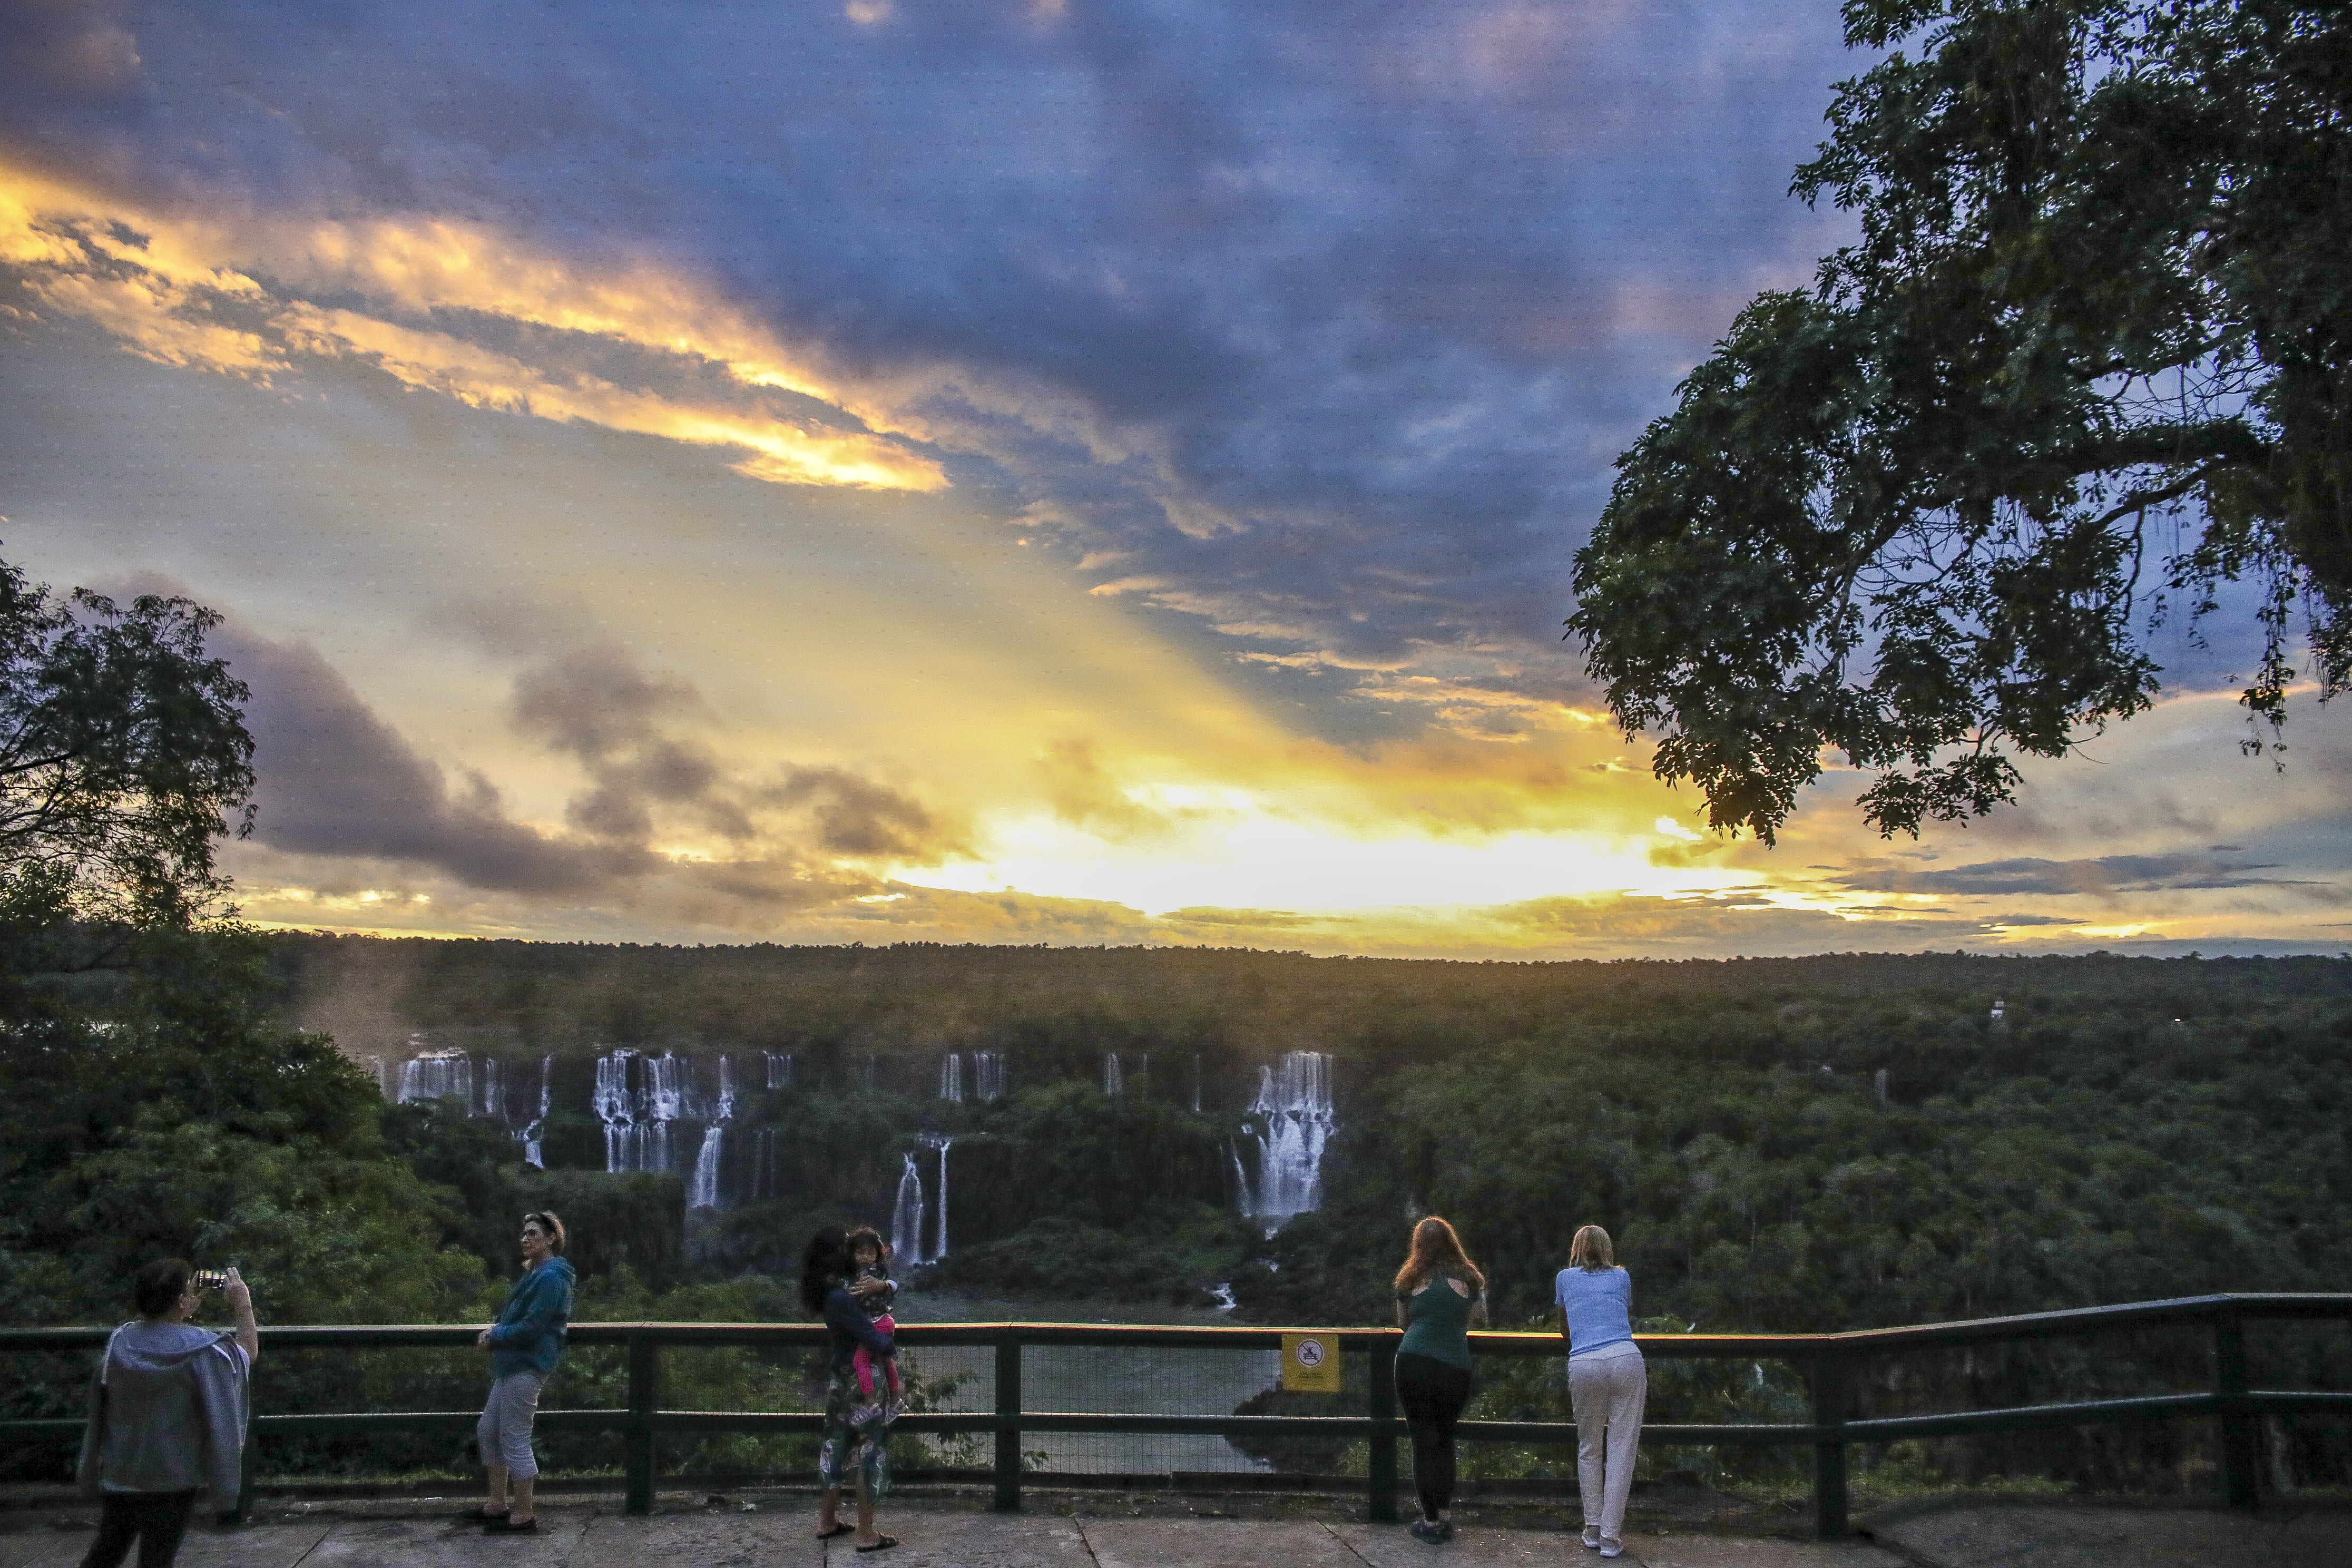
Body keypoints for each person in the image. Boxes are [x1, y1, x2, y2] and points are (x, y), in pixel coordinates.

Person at [76, 1259, 259, 1568]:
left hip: (122, 1470)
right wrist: (243, 1305)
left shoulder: (121, 1341)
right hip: (173, 1476)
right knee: (157, 1558)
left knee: (106, 1552)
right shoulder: (204, 1350)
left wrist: (185, 1304)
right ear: (180, 1301)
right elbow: (246, 1354)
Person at [473, 1212, 576, 1535]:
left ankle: (524, 1514)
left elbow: (533, 1327)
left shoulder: (551, 1278)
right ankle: (497, 1504)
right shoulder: (537, 1274)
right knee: (488, 1430)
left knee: (514, 1437)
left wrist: (495, 1335)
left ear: (551, 1238)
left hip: (528, 1363)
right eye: (524, 1234)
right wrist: (498, 1332)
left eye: (533, 1233)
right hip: (513, 1362)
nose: (525, 1239)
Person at [1391, 1216, 1487, 1545]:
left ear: (1418, 1244)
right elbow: (1477, 1320)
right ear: (1452, 1242)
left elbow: (1403, 1322)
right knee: (1445, 1440)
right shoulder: (1471, 1279)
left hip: (1413, 1361)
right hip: (1455, 1365)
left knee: (1423, 1443)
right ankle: (1444, 1515)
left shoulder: (1408, 1278)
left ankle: (1430, 1520)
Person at [805, 1224, 897, 1554]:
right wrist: (889, 1344)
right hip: (864, 1382)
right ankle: (866, 1534)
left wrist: (884, 1284)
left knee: (836, 1445)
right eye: (845, 1248)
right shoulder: (844, 1298)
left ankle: (827, 1521)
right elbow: (872, 1338)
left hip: (840, 1381)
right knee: (871, 1450)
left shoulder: (831, 1292)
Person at [1555, 1224, 1644, 1559]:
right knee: (1622, 1449)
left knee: (1589, 1446)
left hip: (1584, 1362)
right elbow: (1621, 1312)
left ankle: (1592, 1527)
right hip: (1625, 1358)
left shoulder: (1565, 1278)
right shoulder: (1622, 1277)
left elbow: (1566, 1329)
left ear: (1576, 1248)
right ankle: (1610, 1536)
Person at [846, 1228, 903, 1407]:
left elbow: (850, 1291)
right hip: (883, 1321)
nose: (865, 1257)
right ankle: (896, 1398)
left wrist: (885, 1285)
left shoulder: (873, 1271)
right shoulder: (866, 1272)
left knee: (860, 1361)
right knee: (887, 1359)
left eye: (870, 1253)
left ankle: (870, 1403)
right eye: (861, 1253)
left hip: (877, 1322)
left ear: (877, 1254)